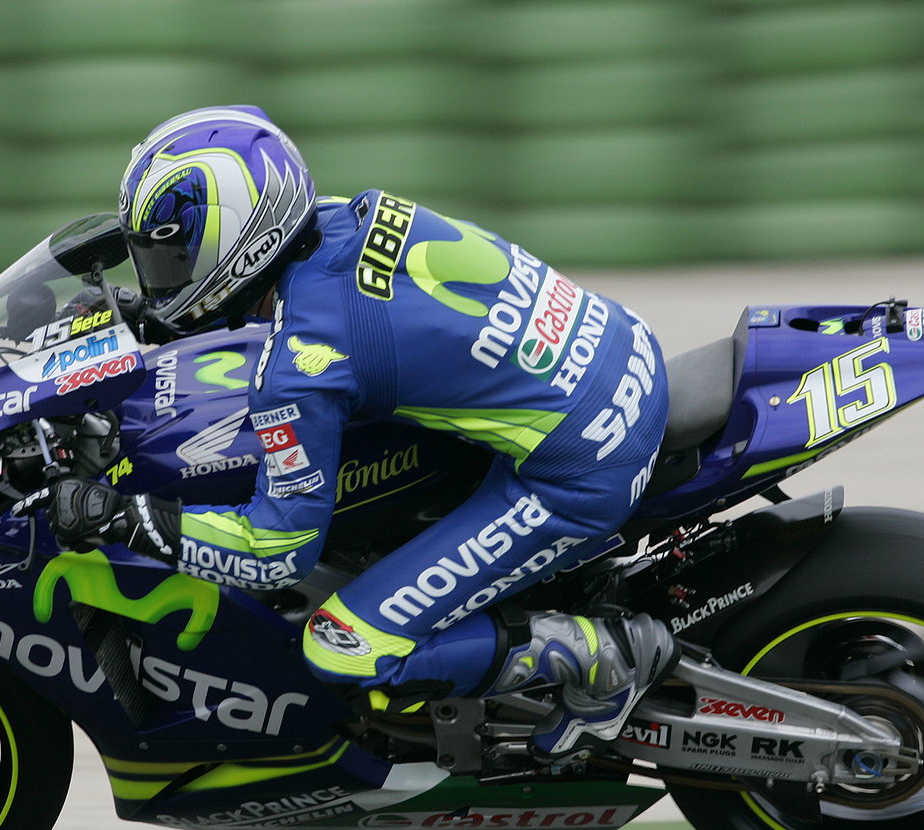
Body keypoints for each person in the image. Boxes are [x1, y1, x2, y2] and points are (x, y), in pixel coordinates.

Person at [47, 105, 677, 763]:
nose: (164, 276)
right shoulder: (345, 217)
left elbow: (276, 551)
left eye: (176, 258)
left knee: (343, 646)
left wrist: (130, 520)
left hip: (582, 464)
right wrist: (146, 315)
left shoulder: (302, 367)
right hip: (623, 350)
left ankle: (599, 659)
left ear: (241, 241)